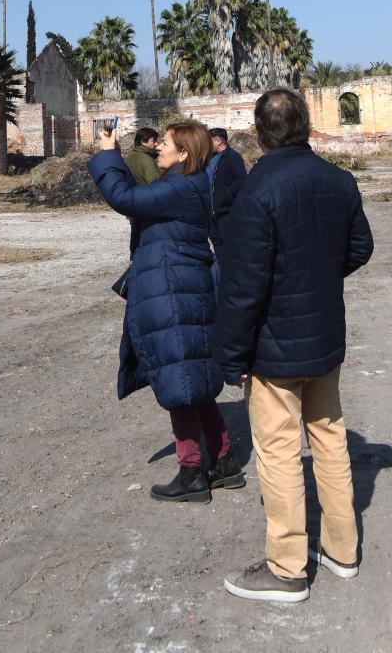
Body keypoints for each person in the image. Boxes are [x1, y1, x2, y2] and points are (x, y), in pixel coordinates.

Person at [213, 89, 374, 604]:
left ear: (258, 134)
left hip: (274, 347)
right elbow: (359, 247)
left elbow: (243, 287)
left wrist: (231, 357)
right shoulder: (338, 179)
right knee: (329, 440)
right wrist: (316, 277)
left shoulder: (255, 191)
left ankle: (287, 569)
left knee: (279, 452)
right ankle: (341, 549)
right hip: (323, 337)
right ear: (306, 125)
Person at [89, 120, 246, 503]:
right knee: (195, 380)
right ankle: (223, 462)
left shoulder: (179, 187)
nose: (158, 147)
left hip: (174, 291)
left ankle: (192, 473)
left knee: (180, 383)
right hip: (182, 286)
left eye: (166, 143)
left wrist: (109, 153)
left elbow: (124, 198)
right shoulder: (184, 185)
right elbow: (136, 195)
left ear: (185, 154)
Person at [206, 127, 248, 255]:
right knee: (217, 246)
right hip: (210, 212)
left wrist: (225, 195)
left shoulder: (233, 157)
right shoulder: (209, 158)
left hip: (225, 212)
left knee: (229, 247)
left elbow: (241, 179)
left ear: (218, 141)